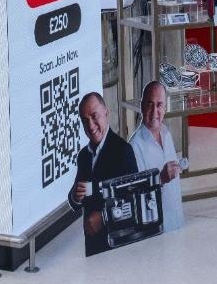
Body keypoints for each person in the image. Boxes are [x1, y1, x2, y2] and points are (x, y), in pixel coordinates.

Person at [66, 91, 137, 255]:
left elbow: (135, 202)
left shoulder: (123, 151)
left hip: (118, 248)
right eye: (85, 121)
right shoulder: (83, 156)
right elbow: (75, 202)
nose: (91, 126)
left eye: (94, 116)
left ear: (106, 113)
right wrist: (75, 196)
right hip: (92, 247)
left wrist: (104, 218)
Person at [128, 80, 185, 234]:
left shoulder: (167, 134)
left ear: (165, 107)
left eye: (159, 105)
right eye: (150, 105)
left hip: (177, 225)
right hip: (156, 233)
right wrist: (161, 179)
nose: (154, 112)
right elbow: (133, 195)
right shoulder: (134, 147)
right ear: (142, 106)